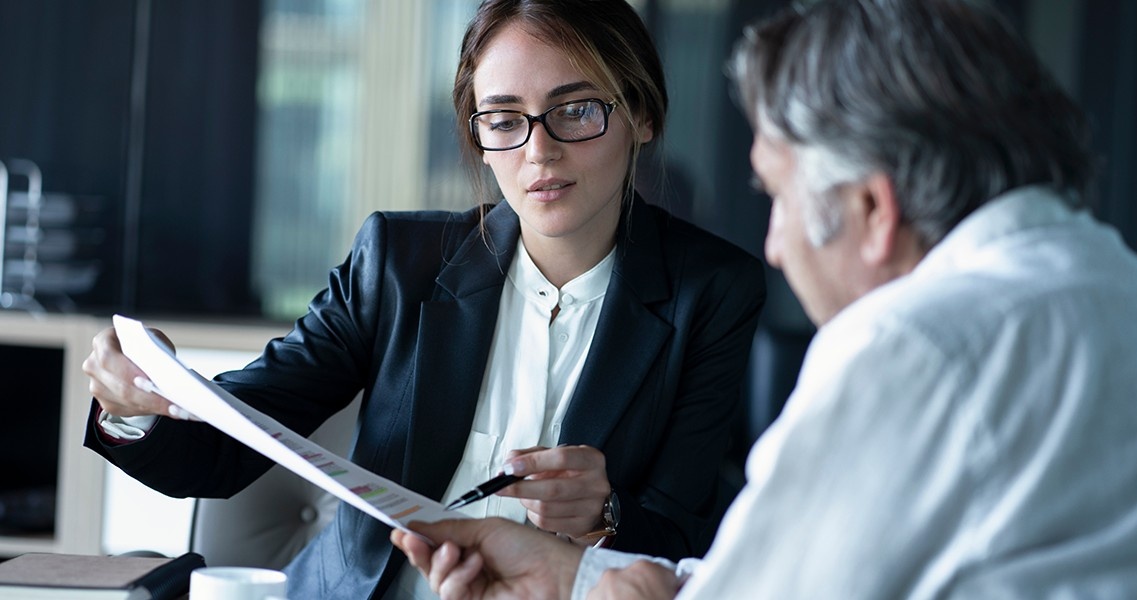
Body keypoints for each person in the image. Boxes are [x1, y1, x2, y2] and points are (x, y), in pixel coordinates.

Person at [389, 0, 1137, 598]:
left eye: (778, 195)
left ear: (873, 212)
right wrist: (577, 577)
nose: (773, 245)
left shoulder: (913, 346)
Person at [81, 0, 766, 598]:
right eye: (503, 119)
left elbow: (689, 539)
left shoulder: (711, 291)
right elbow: (225, 449)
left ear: (641, 114)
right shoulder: (397, 263)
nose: (540, 152)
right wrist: (132, 402)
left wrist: (604, 515)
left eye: (576, 110)